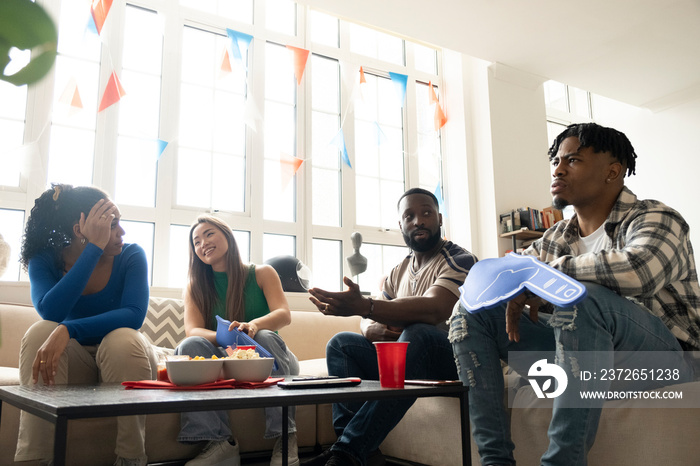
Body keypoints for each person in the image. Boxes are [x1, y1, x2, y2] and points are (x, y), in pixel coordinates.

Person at [450, 123, 700, 466]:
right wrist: (519, 282)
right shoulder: (556, 237)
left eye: (574, 160)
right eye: (556, 160)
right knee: (469, 312)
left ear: (613, 171)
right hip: (586, 360)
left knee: (583, 296)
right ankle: (495, 461)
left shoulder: (656, 217)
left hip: (663, 360)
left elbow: (637, 270)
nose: (558, 168)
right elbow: (492, 276)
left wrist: (540, 278)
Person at [305, 188, 477, 466]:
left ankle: (345, 453)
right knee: (341, 344)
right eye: (409, 216)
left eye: (426, 213)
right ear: (401, 226)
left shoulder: (460, 260)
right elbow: (369, 322)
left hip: (453, 360)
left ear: (440, 219)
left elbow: (436, 308)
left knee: (417, 334)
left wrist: (366, 307)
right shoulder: (398, 271)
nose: (418, 221)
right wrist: (370, 326)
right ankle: (365, 454)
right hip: (407, 363)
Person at [15, 184, 156, 466]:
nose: (122, 233)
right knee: (41, 331)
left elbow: (134, 314)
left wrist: (70, 329)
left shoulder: (131, 255)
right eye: (112, 224)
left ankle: (131, 459)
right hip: (74, 364)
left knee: (122, 339)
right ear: (80, 229)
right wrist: (93, 249)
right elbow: (50, 310)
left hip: (124, 360)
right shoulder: (45, 260)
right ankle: (36, 460)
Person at [175, 215, 300, 466]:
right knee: (189, 347)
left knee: (265, 335)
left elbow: (283, 315)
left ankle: (286, 439)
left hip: (271, 358)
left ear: (228, 237)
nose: (203, 244)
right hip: (227, 360)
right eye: (196, 241)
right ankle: (221, 444)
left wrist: (253, 326)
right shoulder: (195, 286)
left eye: (209, 234)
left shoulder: (262, 273)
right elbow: (193, 330)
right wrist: (229, 339)